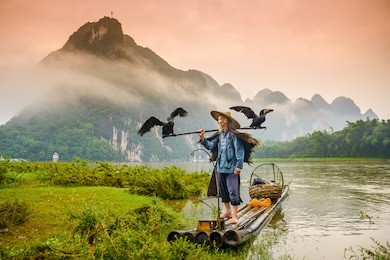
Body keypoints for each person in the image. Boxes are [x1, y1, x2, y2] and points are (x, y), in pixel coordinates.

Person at [198, 111, 245, 224]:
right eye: (218, 119)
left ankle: (234, 215)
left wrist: (238, 166)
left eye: (220, 119)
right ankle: (228, 211)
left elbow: (240, 151)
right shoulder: (219, 136)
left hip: (231, 168)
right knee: (223, 192)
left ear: (226, 121)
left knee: (233, 191)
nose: (218, 121)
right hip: (220, 168)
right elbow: (210, 146)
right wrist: (203, 138)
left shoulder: (233, 135)